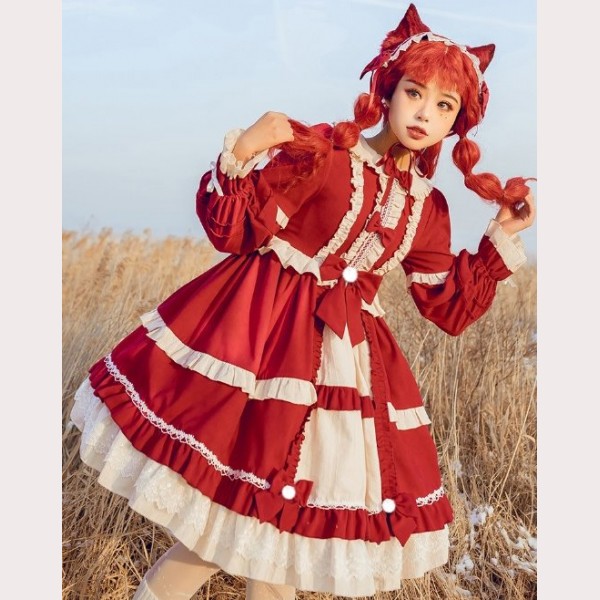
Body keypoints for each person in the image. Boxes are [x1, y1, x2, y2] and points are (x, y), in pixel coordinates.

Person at [69, 3, 536, 599]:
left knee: (275, 538)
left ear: (457, 123)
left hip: (346, 371)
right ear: (388, 89)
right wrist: (243, 152)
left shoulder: (427, 208)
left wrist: (499, 240)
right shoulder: (326, 156)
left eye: (445, 106)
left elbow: (446, 306)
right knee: (234, 527)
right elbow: (235, 231)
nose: (425, 113)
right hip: (264, 347)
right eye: (416, 93)